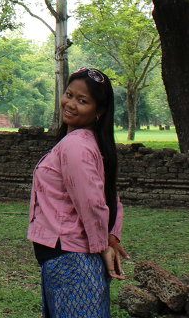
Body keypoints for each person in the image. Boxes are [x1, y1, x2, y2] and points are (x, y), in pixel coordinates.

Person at [28, 67, 130, 318]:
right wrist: (110, 237)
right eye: (69, 94)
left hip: (72, 257)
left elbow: (93, 202)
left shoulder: (76, 146)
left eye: (82, 101)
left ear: (99, 110)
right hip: (69, 254)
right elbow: (108, 196)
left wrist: (103, 244)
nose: (70, 104)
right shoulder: (86, 143)